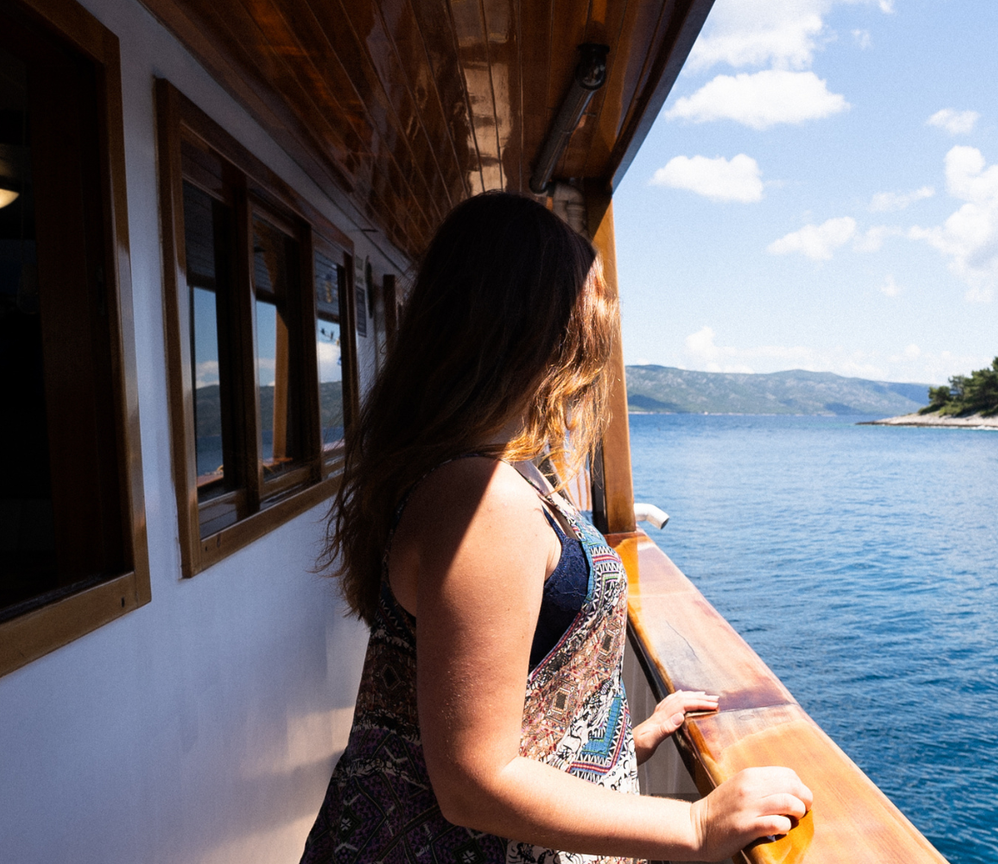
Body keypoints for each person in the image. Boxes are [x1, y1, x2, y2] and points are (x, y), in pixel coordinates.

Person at [304, 192, 812, 863]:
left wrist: (618, 746)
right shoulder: (478, 501)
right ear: (541, 333)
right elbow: (472, 781)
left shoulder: (489, 474)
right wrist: (692, 826)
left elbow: (511, 700)